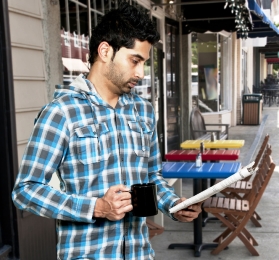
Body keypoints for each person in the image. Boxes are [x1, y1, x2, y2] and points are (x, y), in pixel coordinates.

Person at [12, 2, 202, 259]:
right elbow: (26, 191)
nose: (141, 73)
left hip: (140, 253)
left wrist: (174, 205)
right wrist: (96, 208)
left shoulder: (143, 111)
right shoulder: (62, 112)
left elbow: (152, 177)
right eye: (135, 61)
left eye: (144, 63)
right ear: (105, 51)